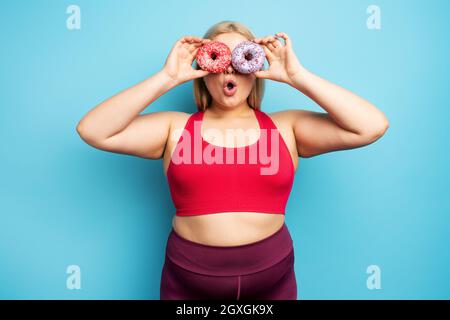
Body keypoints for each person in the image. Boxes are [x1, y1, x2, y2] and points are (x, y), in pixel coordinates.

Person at [76, 21, 389, 300]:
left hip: (272, 278)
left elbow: (371, 126)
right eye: (219, 57)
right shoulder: (174, 127)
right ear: (204, 68)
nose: (230, 69)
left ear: (254, 66)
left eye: (241, 57)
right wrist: (167, 77)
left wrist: (297, 76)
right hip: (188, 281)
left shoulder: (286, 127)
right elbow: (93, 130)